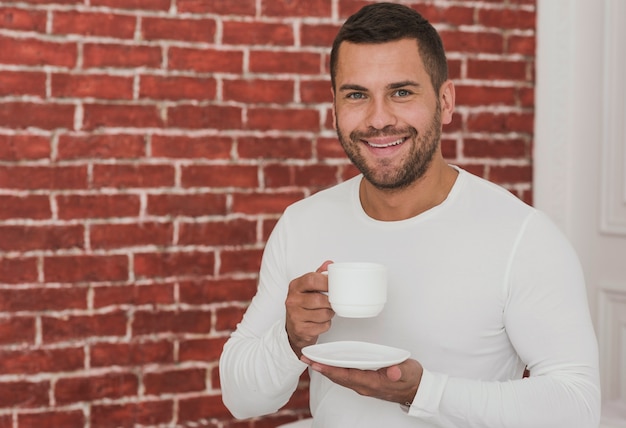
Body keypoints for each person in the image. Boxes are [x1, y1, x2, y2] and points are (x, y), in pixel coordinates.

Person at [219, 2, 601, 427]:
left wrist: (423, 392)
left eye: (401, 92)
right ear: (334, 109)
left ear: (445, 101)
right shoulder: (301, 224)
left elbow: (577, 406)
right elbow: (240, 399)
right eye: (357, 95)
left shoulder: (523, 237)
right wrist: (288, 340)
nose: (379, 119)